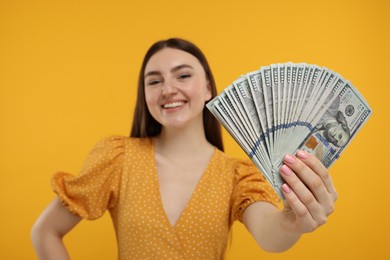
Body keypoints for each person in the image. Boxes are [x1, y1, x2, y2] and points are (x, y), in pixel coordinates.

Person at [31, 38, 337, 259]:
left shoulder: (237, 175)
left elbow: (271, 235)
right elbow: (44, 231)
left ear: (207, 88)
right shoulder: (118, 159)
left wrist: (292, 221)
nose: (168, 89)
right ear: (145, 95)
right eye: (154, 81)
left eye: (183, 75)